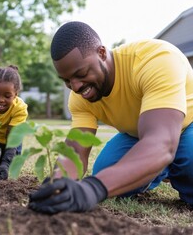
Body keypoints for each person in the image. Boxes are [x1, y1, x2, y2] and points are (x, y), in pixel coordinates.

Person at [28, 21, 193, 214]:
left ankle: (168, 164)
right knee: (108, 172)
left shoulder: (155, 60)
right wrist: (58, 183)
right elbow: (75, 152)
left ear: (102, 53)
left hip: (186, 125)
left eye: (81, 74)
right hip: (140, 134)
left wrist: (93, 188)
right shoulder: (79, 96)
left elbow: (161, 142)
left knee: (187, 162)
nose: (76, 87)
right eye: (66, 81)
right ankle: (157, 165)